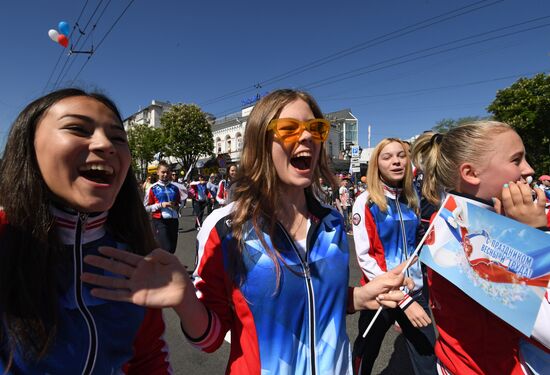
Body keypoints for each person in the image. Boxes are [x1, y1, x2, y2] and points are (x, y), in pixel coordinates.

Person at [81, 89, 413, 374]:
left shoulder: (331, 221)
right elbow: (210, 340)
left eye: (316, 127)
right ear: (259, 141)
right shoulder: (227, 228)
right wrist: (185, 301)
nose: (309, 137)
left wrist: (359, 297)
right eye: (289, 128)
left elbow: (314, 300)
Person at [0, 88, 170, 374]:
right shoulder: (5, 236)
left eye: (118, 137)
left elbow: (149, 358)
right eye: (77, 129)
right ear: (28, 147)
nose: (106, 145)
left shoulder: (136, 250)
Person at [412, 121, 549, 375]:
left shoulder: (463, 218)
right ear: (471, 173)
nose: (529, 170)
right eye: (516, 160)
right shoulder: (474, 234)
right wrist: (536, 236)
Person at [351, 138, 436, 375]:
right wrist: (398, 295)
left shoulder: (413, 198)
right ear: (377, 163)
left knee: (427, 357)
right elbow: (364, 256)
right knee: (365, 353)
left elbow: (419, 242)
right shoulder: (365, 201)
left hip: (414, 290)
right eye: (387, 157)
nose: (396, 161)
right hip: (380, 295)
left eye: (401, 155)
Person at [144, 161, 181, 254]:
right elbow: (145, 207)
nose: (165, 174)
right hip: (160, 221)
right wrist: (161, 205)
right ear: (158, 172)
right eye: (163, 172)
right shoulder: (152, 188)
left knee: (172, 248)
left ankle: (164, 266)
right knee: (166, 248)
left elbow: (179, 203)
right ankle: (164, 267)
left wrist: (176, 206)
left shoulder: (175, 188)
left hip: (174, 220)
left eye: (167, 172)